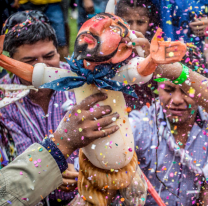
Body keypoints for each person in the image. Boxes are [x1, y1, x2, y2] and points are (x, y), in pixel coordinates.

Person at [0, 10, 76, 206]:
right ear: (10, 63)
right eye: (30, 61)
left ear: (59, 52)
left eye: (49, 56)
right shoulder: (3, 101)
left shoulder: (80, 83)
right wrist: (52, 173)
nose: (42, 68)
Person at [0, 92, 120, 206]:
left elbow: (110, 144)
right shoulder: (5, 100)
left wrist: (80, 169)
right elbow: (21, 161)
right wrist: (53, 167)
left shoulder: (81, 79)